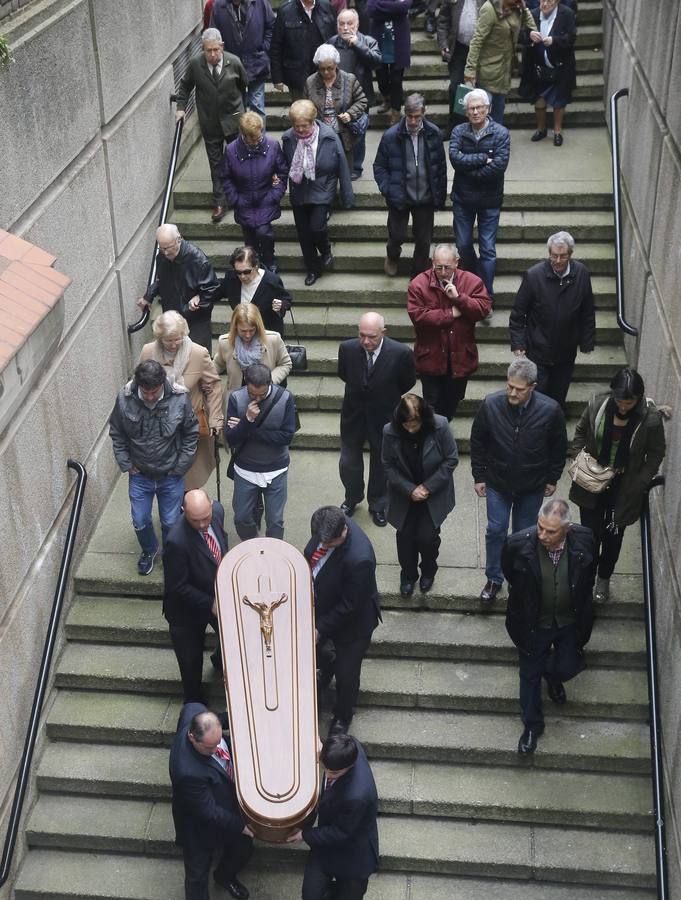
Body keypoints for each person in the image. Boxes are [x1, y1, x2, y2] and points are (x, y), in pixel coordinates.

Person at [502, 497, 595, 755]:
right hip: (533, 623)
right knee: (529, 675)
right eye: (540, 527)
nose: (542, 535)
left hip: (568, 622)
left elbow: (589, 574)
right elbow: (509, 571)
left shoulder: (584, 540)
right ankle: (532, 726)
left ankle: (553, 678)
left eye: (550, 531)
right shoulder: (518, 544)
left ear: (567, 529)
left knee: (567, 666)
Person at [470, 356, 567, 604]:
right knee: (496, 529)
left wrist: (552, 477)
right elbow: (478, 441)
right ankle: (494, 578)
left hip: (531, 484)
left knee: (525, 535)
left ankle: (519, 578)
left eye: (519, 389)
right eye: (509, 386)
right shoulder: (491, 405)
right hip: (497, 481)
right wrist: (479, 475)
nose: (512, 392)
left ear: (532, 387)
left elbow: (558, 447)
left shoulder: (550, 410)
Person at [569, 368, 666, 605]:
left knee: (613, 536)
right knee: (589, 535)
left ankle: (603, 578)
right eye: (620, 401)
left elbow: (656, 453)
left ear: (639, 398)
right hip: (592, 481)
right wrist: (579, 457)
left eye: (629, 402)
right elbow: (581, 431)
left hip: (624, 488)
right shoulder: (598, 405)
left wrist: (642, 481)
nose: (623, 407)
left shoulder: (650, 419)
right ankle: (586, 579)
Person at [109, 360, 198, 576]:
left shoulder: (179, 399)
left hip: (171, 474)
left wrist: (181, 466)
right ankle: (149, 550)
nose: (150, 397)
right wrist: (127, 465)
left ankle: (171, 554)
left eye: (154, 392)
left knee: (170, 521)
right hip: (140, 475)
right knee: (140, 520)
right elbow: (117, 433)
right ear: (138, 384)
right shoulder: (124, 399)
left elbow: (191, 433)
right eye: (145, 392)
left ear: (162, 384)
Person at [304, 506, 381, 734]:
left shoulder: (360, 559)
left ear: (344, 531)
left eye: (328, 545)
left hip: (352, 624)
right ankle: (325, 672)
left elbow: (350, 605)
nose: (322, 547)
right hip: (324, 606)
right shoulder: (325, 523)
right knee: (321, 655)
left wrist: (319, 629)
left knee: (347, 675)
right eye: (321, 542)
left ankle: (342, 716)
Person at [337, 311, 416, 526]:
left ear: (383, 332)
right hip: (353, 416)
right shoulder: (347, 349)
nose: (366, 341)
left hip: (384, 417)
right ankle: (352, 498)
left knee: (381, 463)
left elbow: (407, 382)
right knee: (348, 463)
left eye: (372, 336)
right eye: (362, 335)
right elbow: (344, 374)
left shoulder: (400, 353)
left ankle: (378, 503)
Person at [169, 703, 254, 900]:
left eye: (218, 743)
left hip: (224, 802)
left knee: (244, 848)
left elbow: (189, 708)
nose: (217, 749)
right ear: (192, 737)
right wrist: (241, 826)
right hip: (198, 824)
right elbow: (209, 811)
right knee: (197, 875)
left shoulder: (195, 711)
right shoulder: (187, 772)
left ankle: (224, 876)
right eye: (210, 747)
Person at [286, 733, 379, 900]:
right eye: (325, 768)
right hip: (326, 847)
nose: (327, 774)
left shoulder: (356, 796)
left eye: (334, 772)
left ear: (350, 765)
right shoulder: (350, 745)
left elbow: (340, 832)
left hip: (353, 853)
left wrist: (304, 835)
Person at [382, 394, 458, 596]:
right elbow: (387, 465)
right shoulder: (390, 431)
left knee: (427, 538)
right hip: (404, 494)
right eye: (406, 424)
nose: (410, 429)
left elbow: (451, 459)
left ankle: (428, 571)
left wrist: (427, 488)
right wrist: (409, 489)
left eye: (414, 424)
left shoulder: (440, 426)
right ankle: (408, 576)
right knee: (405, 537)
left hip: (432, 494)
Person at [139, 312, 223, 492]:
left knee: (190, 477)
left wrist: (215, 417)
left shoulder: (198, 353)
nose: (174, 344)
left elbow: (214, 385)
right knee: (165, 476)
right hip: (159, 426)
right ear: (159, 337)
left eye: (178, 339)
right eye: (169, 340)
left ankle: (191, 509)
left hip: (190, 426)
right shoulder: (148, 352)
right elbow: (139, 384)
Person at [509, 231, 595, 406]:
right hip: (538, 350)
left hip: (566, 351)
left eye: (562, 257)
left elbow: (587, 310)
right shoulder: (534, 276)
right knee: (538, 398)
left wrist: (587, 341)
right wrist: (519, 343)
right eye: (553, 256)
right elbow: (518, 313)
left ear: (570, 255)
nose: (557, 261)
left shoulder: (582, 274)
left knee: (558, 397)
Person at [407, 243, 491, 419]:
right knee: (432, 402)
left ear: (457, 263)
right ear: (432, 263)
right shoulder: (418, 284)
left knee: (453, 399)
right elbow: (418, 316)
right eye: (438, 267)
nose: (443, 272)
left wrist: (459, 298)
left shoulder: (472, 281)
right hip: (431, 356)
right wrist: (450, 314)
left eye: (447, 267)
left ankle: (443, 429)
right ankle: (435, 437)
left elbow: (483, 309)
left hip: (460, 357)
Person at [175, 28, 248, 223]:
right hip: (210, 122)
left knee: (237, 159)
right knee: (216, 164)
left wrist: (243, 114)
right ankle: (219, 202)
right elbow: (184, 86)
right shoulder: (195, 64)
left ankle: (240, 196)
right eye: (209, 51)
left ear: (222, 47)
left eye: (216, 50)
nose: (213, 54)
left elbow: (244, 87)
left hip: (233, 120)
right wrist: (181, 108)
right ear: (203, 49)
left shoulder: (234, 62)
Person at [163, 490, 228, 704]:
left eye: (205, 518)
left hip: (216, 596)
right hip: (186, 611)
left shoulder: (217, 513)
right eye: (195, 520)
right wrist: (210, 604)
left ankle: (220, 660)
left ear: (211, 505)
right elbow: (177, 587)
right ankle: (194, 704)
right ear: (183, 511)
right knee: (190, 663)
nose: (202, 525)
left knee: (231, 638)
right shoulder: (176, 542)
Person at [373, 93, 447, 278]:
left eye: (417, 116)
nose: (413, 121)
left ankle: (418, 275)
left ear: (423, 113)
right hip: (400, 195)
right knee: (396, 235)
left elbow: (440, 167)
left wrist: (439, 194)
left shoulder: (434, 133)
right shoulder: (391, 136)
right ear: (405, 113)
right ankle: (392, 256)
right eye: (410, 116)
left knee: (423, 240)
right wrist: (388, 189)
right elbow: (379, 166)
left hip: (425, 196)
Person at [282, 99, 354, 286]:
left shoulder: (328, 136)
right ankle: (313, 269)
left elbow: (342, 166)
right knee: (304, 234)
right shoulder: (288, 138)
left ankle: (326, 249)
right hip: (299, 189)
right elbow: (283, 164)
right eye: (296, 126)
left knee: (316, 227)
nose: (300, 130)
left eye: (304, 126)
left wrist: (347, 196)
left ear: (313, 121)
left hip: (323, 187)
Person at [449, 88, 510, 300]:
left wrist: (469, 170)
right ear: (466, 112)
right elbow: (455, 159)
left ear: (488, 109)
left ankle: (486, 295)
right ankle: (475, 284)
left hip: (489, 200)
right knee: (463, 245)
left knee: (488, 250)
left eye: (479, 108)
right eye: (471, 109)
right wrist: (484, 157)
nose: (475, 112)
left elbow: (499, 166)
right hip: (463, 199)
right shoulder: (458, 131)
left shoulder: (501, 133)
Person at [224, 362, 297, 540]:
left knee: (275, 521)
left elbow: (286, 437)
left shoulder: (285, 398)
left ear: (270, 384)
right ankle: (253, 545)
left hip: (276, 469)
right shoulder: (236, 398)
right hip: (245, 469)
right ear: (245, 383)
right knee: (241, 517)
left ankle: (273, 552)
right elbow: (231, 438)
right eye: (252, 394)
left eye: (262, 394)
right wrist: (247, 418)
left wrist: (248, 429)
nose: (256, 399)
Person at [221, 113, 289, 272]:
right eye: (254, 138)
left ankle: (269, 261)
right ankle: (252, 265)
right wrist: (235, 199)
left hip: (265, 199)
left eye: (260, 136)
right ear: (244, 135)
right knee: (249, 238)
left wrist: (275, 195)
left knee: (264, 233)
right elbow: (225, 177)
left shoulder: (272, 145)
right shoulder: (231, 150)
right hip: (243, 201)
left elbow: (282, 172)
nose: (259, 140)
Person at [136, 224, 220, 353]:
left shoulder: (197, 259)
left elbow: (213, 288)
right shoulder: (162, 256)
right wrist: (149, 296)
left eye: (168, 247)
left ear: (179, 239)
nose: (166, 252)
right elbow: (161, 281)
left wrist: (200, 298)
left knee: (197, 357)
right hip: (172, 316)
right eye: (162, 248)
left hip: (195, 320)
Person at [326, 9, 382, 177]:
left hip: (360, 97)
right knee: (336, 131)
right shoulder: (331, 42)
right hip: (336, 95)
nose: (345, 27)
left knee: (358, 132)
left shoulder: (368, 41)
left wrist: (358, 45)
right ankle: (338, 165)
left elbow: (376, 63)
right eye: (341, 24)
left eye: (349, 23)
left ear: (357, 24)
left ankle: (356, 167)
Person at [463, 0, 536, 124]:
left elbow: (531, 28)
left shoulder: (516, 8)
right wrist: (470, 70)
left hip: (504, 70)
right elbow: (477, 41)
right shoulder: (489, 9)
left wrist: (525, 9)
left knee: (498, 113)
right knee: (483, 116)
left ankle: (496, 141)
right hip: (488, 70)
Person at [519, 0, 576, 146]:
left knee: (559, 101)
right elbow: (521, 35)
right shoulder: (532, 14)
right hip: (537, 66)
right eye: (542, 0)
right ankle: (541, 129)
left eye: (549, 1)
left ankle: (557, 131)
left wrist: (554, 40)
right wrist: (530, 34)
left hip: (560, 65)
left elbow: (571, 38)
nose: (544, 4)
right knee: (539, 99)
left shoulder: (567, 14)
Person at [304, 44, 368, 174]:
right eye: (322, 69)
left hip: (343, 133)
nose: (326, 72)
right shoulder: (310, 82)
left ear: (336, 65)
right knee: (323, 171)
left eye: (330, 68)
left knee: (345, 173)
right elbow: (305, 107)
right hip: (320, 134)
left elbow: (362, 100)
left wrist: (350, 114)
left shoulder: (349, 79)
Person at [209, 0, 276, 122]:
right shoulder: (219, 6)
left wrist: (264, 47)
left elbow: (272, 27)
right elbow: (214, 35)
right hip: (231, 67)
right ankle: (241, 139)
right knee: (237, 109)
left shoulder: (259, 3)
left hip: (257, 64)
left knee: (257, 107)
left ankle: (258, 140)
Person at [213, 303, 292, 395]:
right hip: (236, 398)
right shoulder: (225, 342)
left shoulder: (273, 339)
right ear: (235, 327)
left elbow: (285, 363)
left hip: (265, 394)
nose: (247, 335)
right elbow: (217, 365)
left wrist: (269, 381)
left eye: (252, 330)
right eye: (243, 331)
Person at [217, 246, 293, 335]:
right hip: (242, 334)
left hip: (266, 333)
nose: (242, 276)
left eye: (246, 272)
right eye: (238, 272)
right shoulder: (231, 277)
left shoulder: (271, 281)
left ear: (256, 266)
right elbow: (217, 290)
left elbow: (286, 299)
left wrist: (281, 305)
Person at [270, 0, 336, 100]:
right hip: (297, 76)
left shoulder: (327, 7)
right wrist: (277, 77)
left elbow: (334, 39)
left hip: (324, 73)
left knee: (325, 113)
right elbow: (276, 46)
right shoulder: (285, 11)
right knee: (302, 113)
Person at [437, 0, 484, 131]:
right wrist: (443, 44)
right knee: (455, 88)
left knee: (479, 90)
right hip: (458, 48)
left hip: (481, 51)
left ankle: (478, 128)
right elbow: (443, 20)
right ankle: (454, 128)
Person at [367, 0, 413, 124]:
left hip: (398, 43)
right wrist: (395, 8)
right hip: (379, 42)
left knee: (397, 80)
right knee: (381, 79)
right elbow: (371, 9)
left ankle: (396, 112)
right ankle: (387, 98)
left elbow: (405, 6)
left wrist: (381, 7)